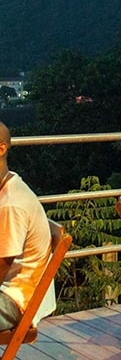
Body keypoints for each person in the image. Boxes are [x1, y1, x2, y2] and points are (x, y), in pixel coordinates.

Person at [0, 122, 55, 331]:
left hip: (12, 300)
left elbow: (2, 267)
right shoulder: (9, 182)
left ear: (1, 148)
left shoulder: (11, 204)